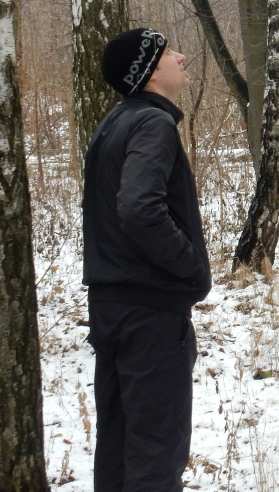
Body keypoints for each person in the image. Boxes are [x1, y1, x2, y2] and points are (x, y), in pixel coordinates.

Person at [82, 28, 211, 492]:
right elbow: (139, 209)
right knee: (156, 453)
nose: (182, 56)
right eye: (170, 52)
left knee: (118, 448)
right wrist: (189, 267)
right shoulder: (153, 124)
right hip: (150, 316)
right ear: (150, 72)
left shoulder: (114, 122)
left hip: (113, 308)